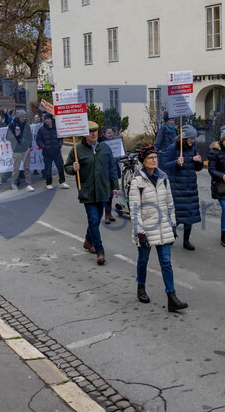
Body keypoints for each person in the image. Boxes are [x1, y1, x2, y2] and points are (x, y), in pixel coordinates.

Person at [129, 145, 187, 312]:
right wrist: (140, 232)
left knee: (166, 262)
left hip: (163, 226)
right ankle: (141, 287)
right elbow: (135, 210)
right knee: (143, 260)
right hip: (146, 228)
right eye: (150, 158)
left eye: (155, 157)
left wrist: (173, 224)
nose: (154, 160)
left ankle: (172, 297)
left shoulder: (163, 178)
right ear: (143, 161)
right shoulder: (137, 182)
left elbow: (170, 203)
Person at [65, 122, 118, 265]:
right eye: (90, 131)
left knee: (96, 220)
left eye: (95, 131)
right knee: (93, 219)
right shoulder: (77, 149)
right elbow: (67, 167)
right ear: (84, 134)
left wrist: (115, 186)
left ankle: (88, 241)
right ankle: (100, 251)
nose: (93, 133)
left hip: (103, 190)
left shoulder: (105, 148)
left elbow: (112, 167)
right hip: (87, 191)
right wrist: (73, 168)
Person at [160, 125, 203, 251]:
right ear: (184, 138)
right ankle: (171, 233)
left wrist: (199, 161)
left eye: (194, 139)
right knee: (177, 214)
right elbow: (164, 165)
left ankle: (186, 241)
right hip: (177, 186)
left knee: (189, 215)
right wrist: (176, 162)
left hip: (190, 186)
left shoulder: (193, 148)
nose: (193, 141)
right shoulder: (173, 148)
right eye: (191, 139)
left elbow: (198, 168)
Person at [37, 113, 69, 190]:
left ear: (51, 120)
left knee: (60, 167)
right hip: (47, 153)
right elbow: (38, 140)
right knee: (48, 168)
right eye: (45, 119)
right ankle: (49, 183)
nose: (46, 120)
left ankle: (62, 181)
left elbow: (61, 138)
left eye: (48, 119)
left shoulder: (57, 128)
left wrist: (59, 146)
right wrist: (44, 147)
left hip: (56, 152)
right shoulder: (41, 130)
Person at [7, 109, 34, 192]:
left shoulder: (27, 125)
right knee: (16, 167)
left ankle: (29, 184)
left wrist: (28, 145)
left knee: (27, 167)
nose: (24, 118)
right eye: (22, 116)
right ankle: (14, 183)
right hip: (17, 149)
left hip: (25, 149)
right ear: (18, 116)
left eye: (25, 116)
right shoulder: (12, 125)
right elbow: (7, 137)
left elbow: (30, 137)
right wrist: (16, 135)